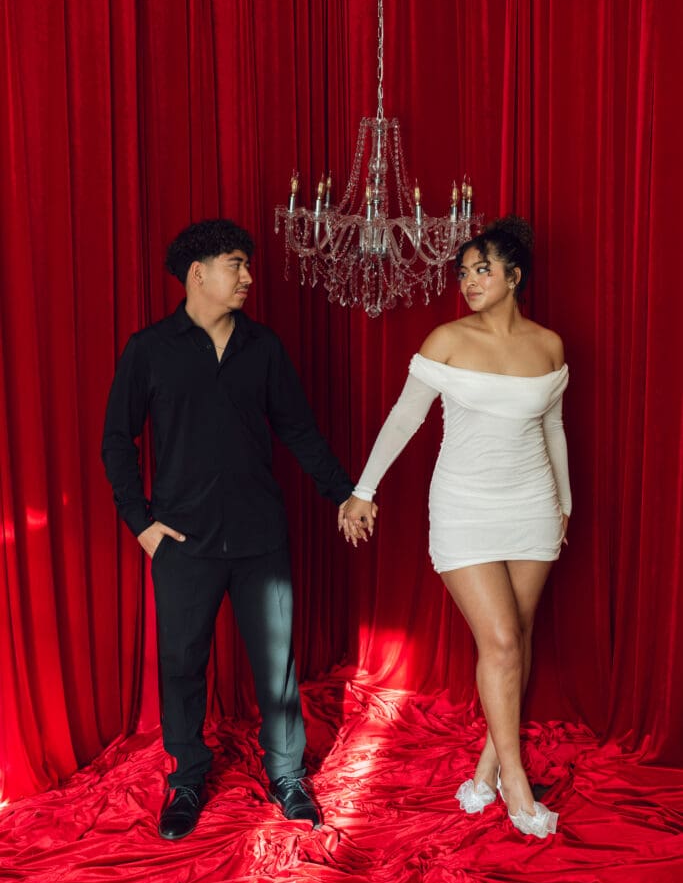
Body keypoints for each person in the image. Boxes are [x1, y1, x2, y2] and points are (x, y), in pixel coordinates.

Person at [102, 218, 361, 840]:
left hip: (259, 537)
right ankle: (188, 777)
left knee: (276, 665)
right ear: (199, 274)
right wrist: (141, 524)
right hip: (181, 542)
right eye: (236, 264)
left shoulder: (264, 348)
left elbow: (298, 429)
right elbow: (117, 440)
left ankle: (288, 775)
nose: (247, 278)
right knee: (183, 664)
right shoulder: (149, 349)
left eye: (246, 266)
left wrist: (345, 492)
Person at [340, 216, 570, 839]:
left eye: (482, 270)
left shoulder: (548, 346)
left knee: (515, 640)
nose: (468, 281)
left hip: (533, 507)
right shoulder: (447, 339)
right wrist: (363, 489)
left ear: (513, 276)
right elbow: (403, 418)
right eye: (463, 272)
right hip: (465, 506)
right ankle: (515, 782)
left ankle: (484, 773)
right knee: (499, 641)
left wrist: (565, 504)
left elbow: (553, 431)